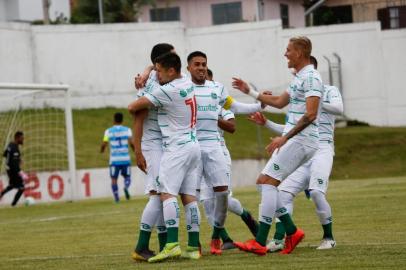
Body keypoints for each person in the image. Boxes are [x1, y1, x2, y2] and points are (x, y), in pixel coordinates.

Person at [232, 36, 324, 255]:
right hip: (298, 140)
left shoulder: (311, 77)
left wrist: (285, 137)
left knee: (267, 183)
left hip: (302, 140)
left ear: (300, 53)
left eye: (289, 50)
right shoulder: (301, 77)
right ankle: (291, 231)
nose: (285, 54)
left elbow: (311, 115)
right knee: (264, 183)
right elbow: (280, 102)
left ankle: (261, 240)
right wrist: (250, 92)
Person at [249, 56, 343, 251]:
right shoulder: (299, 93)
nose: (295, 73)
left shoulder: (329, 90)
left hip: (322, 148)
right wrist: (266, 123)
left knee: (316, 192)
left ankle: (329, 237)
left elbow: (339, 109)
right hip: (302, 146)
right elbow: (290, 128)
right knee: (281, 193)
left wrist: (315, 100)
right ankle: (280, 238)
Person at [128, 52, 202, 262]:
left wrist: (145, 89)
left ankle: (168, 245)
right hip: (192, 145)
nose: (157, 73)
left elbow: (133, 108)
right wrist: (148, 72)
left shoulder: (165, 89)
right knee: (188, 197)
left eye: (159, 70)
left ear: (171, 70)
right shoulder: (186, 81)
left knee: (164, 194)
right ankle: (193, 247)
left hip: (174, 147)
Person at [187, 51, 262, 255]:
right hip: (191, 148)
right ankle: (199, 244)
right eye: (197, 64)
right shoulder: (182, 89)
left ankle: (216, 235)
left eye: (204, 64)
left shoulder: (217, 89)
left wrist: (260, 104)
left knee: (222, 195)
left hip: (215, 148)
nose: (201, 68)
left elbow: (235, 107)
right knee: (194, 198)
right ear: (188, 68)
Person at [131, 43, 175, 261]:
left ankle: (164, 245)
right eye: (173, 56)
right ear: (162, 63)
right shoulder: (150, 86)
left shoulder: (161, 79)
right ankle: (141, 247)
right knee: (158, 195)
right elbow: (138, 118)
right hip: (152, 144)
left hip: (164, 143)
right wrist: (138, 151)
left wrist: (148, 68)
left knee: (162, 193)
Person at [100, 112, 134, 203]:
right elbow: (131, 143)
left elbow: (104, 143)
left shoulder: (108, 131)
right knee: (127, 176)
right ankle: (126, 187)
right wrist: (135, 150)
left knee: (114, 179)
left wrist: (102, 150)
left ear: (114, 120)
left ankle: (116, 198)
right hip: (125, 159)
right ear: (122, 120)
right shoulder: (127, 130)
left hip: (114, 160)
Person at [0, 131, 28, 206]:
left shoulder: (10, 145)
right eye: (22, 138)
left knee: (13, 184)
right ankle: (13, 204)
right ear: (17, 138)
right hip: (13, 170)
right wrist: (21, 173)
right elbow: (15, 165)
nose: (23, 140)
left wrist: (17, 158)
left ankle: (2, 193)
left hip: (8, 169)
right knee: (22, 187)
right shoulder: (15, 148)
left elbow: (5, 154)